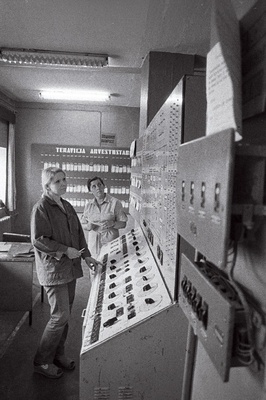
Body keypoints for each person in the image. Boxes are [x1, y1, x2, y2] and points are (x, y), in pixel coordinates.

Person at [31, 167, 102, 379]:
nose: (63, 183)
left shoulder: (67, 205)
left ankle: (57, 354)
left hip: (69, 269)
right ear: (47, 185)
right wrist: (64, 250)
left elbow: (79, 234)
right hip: (54, 270)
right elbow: (38, 240)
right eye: (58, 181)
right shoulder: (41, 207)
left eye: (64, 179)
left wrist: (86, 255)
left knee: (65, 316)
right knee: (59, 316)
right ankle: (42, 361)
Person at [81, 176, 128, 258]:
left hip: (110, 244)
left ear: (104, 186)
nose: (98, 188)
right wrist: (88, 226)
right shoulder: (88, 205)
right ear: (90, 190)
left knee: (112, 267)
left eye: (99, 184)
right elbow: (83, 224)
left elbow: (123, 224)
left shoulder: (115, 203)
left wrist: (112, 223)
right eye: (94, 186)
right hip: (93, 245)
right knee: (94, 268)